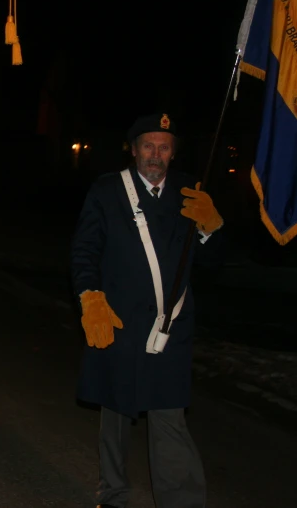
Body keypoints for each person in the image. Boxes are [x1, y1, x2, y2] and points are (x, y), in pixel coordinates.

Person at [70, 113, 224, 508]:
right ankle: (115, 494)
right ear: (134, 150)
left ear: (173, 153)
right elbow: (84, 251)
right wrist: (90, 296)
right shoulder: (107, 192)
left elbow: (217, 264)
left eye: (164, 146)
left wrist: (210, 230)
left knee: (169, 415)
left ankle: (181, 501)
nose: (155, 154)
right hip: (118, 321)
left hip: (170, 327)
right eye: (148, 146)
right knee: (116, 412)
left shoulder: (191, 192)